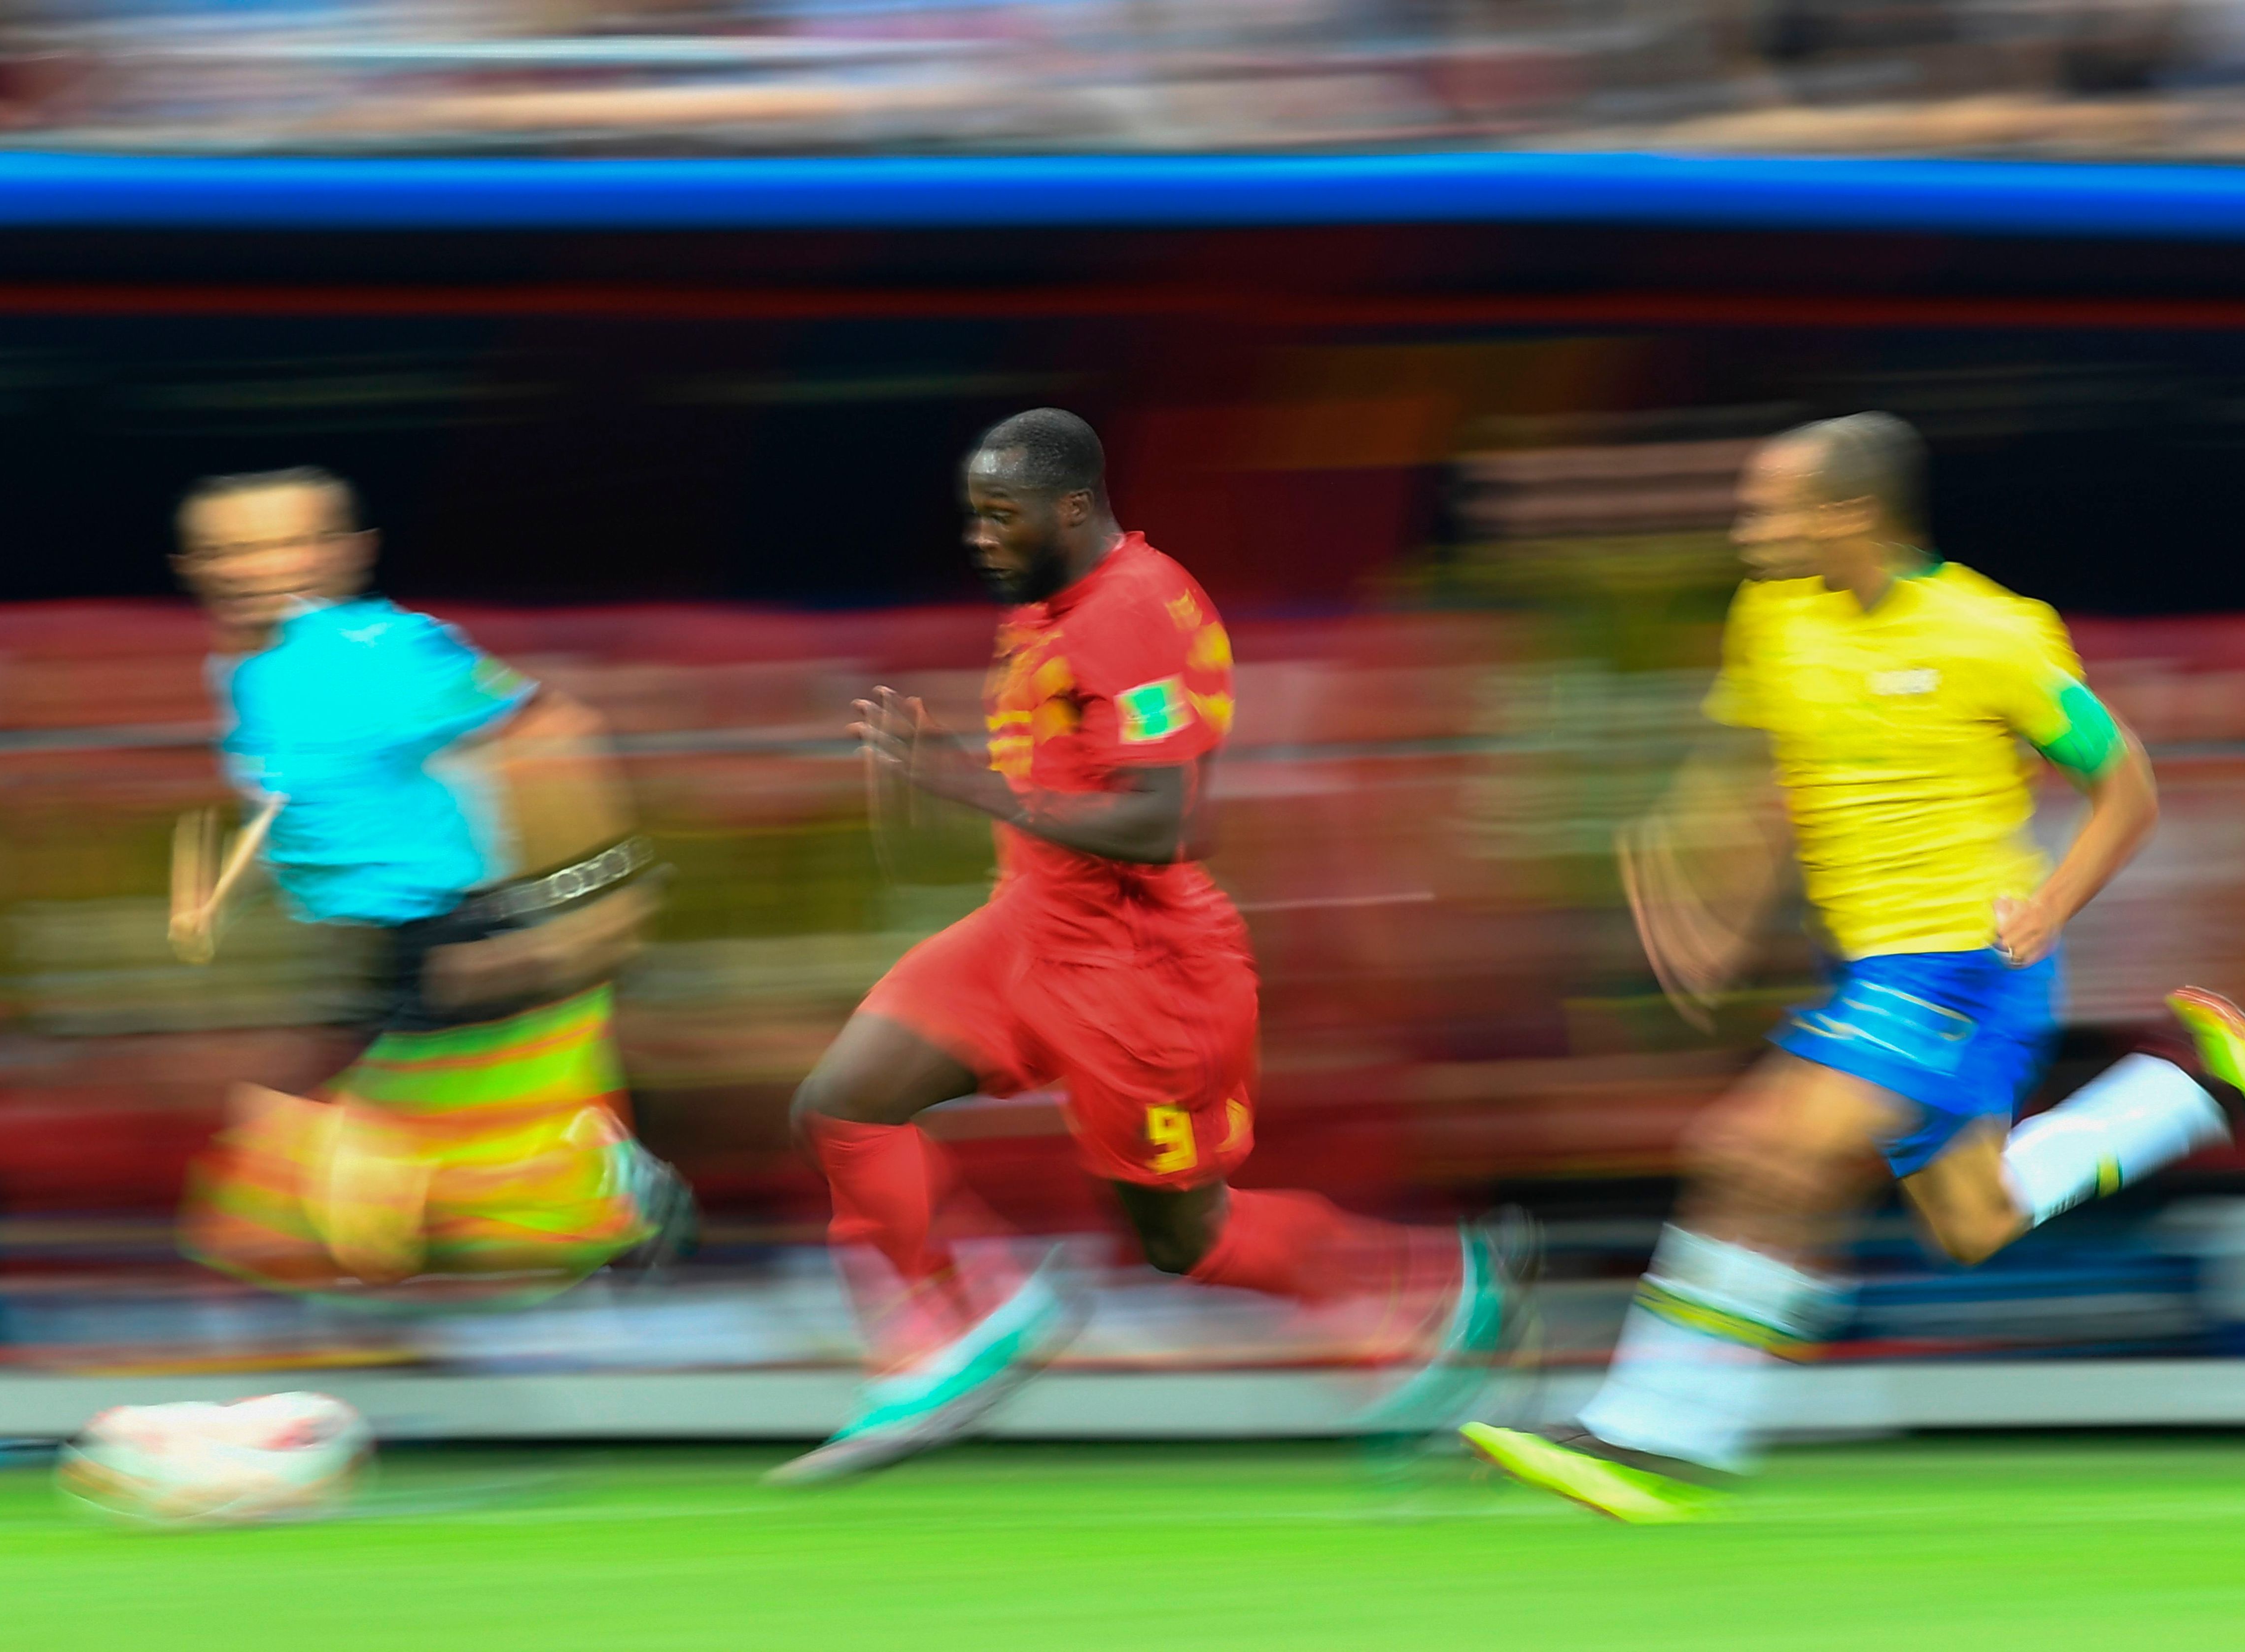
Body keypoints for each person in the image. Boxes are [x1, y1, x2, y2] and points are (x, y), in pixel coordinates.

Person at [1465, 413, 2245, 1521]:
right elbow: (1772, 771)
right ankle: (2199, 1091)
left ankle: (1655, 1433)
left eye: (1768, 507)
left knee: (1755, 1149)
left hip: (1964, 963)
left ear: (1846, 515)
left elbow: (2127, 782)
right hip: (1874, 967)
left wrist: (2052, 904)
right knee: (1970, 1222)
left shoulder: (1992, 634)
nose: (1746, 530)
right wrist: (1714, 900)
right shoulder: (1775, 616)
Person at [773, 409, 1529, 1484]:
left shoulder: (1134, 615)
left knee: (1186, 1241)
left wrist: (957, 782)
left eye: (1002, 517)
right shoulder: (1048, 605)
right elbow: (1027, 797)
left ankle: (1434, 1284)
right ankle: (968, 1323)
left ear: (1073, 506)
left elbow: (1162, 825)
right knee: (841, 1107)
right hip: (1026, 929)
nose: (981, 538)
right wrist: (916, 780)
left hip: (1139, 971)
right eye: (974, 517)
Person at [168, 466, 694, 1299]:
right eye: (226, 551)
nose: (248, 568)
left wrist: (582, 918)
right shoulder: (252, 675)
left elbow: (556, 734)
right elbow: (317, 804)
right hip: (386, 955)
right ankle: (569, 1193)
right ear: (194, 566)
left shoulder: (378, 651)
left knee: (280, 1208)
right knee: (309, 1215)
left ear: (345, 555)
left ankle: (589, 1185)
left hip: (466, 944)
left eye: (281, 544)